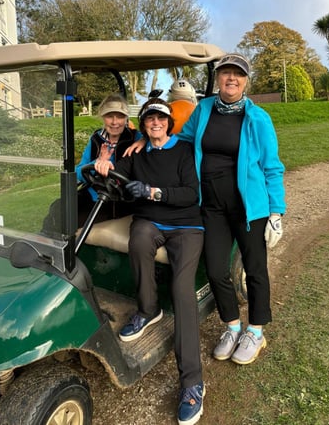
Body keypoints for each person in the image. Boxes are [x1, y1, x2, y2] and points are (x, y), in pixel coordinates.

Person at [125, 54, 286, 365]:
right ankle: (232, 325)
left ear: (245, 81)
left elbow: (272, 167)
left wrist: (276, 212)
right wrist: (148, 140)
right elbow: (182, 138)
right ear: (218, 79)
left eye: (237, 75)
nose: (231, 79)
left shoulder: (258, 119)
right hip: (210, 206)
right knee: (215, 270)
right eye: (226, 73)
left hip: (248, 206)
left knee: (254, 269)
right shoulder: (205, 109)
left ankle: (255, 330)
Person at [94, 97, 206, 425]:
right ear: (142, 125)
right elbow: (117, 175)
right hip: (150, 223)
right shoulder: (137, 152)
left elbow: (190, 193)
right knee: (138, 237)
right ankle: (148, 309)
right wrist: (104, 165)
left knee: (183, 289)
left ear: (168, 123)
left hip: (186, 224)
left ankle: (192, 381)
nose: (155, 123)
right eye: (149, 119)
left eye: (160, 118)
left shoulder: (183, 151)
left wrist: (155, 192)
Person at [41, 93, 141, 234]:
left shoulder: (136, 138)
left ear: (126, 118)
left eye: (119, 116)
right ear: (102, 117)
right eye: (109, 116)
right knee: (58, 208)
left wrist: (143, 141)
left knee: (71, 222)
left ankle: (65, 252)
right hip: (94, 195)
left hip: (122, 200)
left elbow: (159, 140)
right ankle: (45, 246)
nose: (114, 122)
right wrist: (98, 162)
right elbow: (79, 172)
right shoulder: (96, 139)